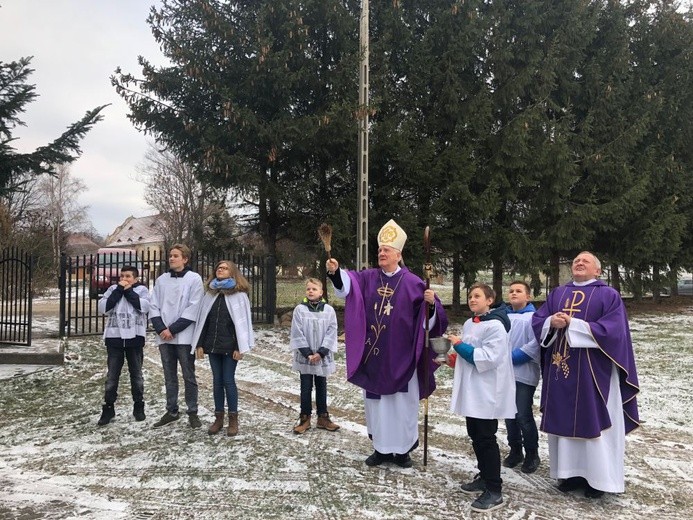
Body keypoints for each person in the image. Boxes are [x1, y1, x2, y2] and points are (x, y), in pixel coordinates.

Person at [325, 219, 447, 469]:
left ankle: (402, 451)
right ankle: (380, 448)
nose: (381, 253)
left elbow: (431, 320)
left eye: (386, 250)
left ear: (398, 254)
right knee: (377, 405)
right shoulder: (369, 277)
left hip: (402, 356)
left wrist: (431, 304)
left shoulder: (414, 282)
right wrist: (335, 272)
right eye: (380, 249)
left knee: (402, 406)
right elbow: (348, 285)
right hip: (375, 355)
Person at [532, 251, 640, 498]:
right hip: (562, 370)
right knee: (563, 420)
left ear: (597, 271)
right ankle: (569, 474)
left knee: (595, 422)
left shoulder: (608, 295)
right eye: (576, 261)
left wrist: (574, 324)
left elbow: (614, 331)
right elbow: (538, 321)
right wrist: (551, 322)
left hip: (595, 372)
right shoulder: (558, 293)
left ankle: (597, 480)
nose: (579, 263)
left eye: (585, 261)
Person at [444, 283, 515, 513]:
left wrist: (458, 344)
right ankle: (484, 477)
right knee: (475, 434)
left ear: (489, 300)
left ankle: (495, 490)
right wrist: (453, 359)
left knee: (486, 438)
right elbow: (469, 353)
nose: (472, 299)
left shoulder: (496, 326)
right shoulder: (470, 323)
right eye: (470, 296)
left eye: (477, 296)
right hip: (472, 389)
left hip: (487, 391)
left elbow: (487, 358)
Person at [190, 260, 254, 436]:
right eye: (218, 267)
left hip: (230, 347)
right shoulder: (210, 294)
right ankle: (218, 418)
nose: (221, 270)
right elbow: (204, 321)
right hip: (212, 345)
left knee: (228, 380)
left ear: (232, 273)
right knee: (216, 381)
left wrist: (239, 347)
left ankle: (233, 419)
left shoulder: (239, 296)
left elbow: (241, 325)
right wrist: (200, 344)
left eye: (225, 268)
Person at [149, 244, 204, 429]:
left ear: (185, 259)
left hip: (183, 336)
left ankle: (192, 411)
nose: (171, 258)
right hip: (164, 336)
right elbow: (153, 305)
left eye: (175, 256)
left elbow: (194, 307)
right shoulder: (162, 280)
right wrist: (160, 328)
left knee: (188, 375)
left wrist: (172, 329)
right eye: (170, 256)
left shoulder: (194, 279)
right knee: (169, 375)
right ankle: (171, 410)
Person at [96, 265, 151, 426]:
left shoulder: (141, 290)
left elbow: (143, 307)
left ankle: (138, 406)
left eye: (128, 276)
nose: (124, 279)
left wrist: (128, 291)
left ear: (136, 278)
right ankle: (108, 408)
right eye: (122, 276)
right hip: (115, 339)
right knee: (112, 376)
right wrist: (119, 291)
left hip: (135, 339)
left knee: (137, 375)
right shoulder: (113, 289)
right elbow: (104, 307)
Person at [290, 278, 340, 434]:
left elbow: (332, 331)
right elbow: (296, 332)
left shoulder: (328, 311)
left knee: (321, 385)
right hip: (306, 357)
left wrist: (321, 353)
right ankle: (305, 418)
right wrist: (308, 354)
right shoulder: (300, 309)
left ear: (321, 292)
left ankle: (322, 417)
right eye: (308, 289)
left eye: (314, 289)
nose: (310, 291)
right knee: (305, 387)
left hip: (321, 356)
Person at [503, 281, 541, 473]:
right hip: (504, 374)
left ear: (528, 296)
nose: (514, 294)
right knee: (509, 415)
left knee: (523, 415)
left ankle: (532, 454)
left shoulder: (534, 318)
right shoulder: (503, 316)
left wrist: (510, 358)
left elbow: (535, 345)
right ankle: (515, 450)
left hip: (524, 372)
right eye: (511, 291)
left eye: (519, 291)